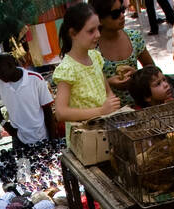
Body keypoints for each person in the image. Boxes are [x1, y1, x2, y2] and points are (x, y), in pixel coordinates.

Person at [52, 3, 122, 146]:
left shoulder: (95, 57)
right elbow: (61, 112)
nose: (98, 34)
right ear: (73, 34)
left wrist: (111, 104)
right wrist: (101, 111)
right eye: (91, 31)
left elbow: (107, 92)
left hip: (104, 133)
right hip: (84, 142)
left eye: (98, 29)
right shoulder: (67, 69)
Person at [92, 0, 156, 106]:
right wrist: (108, 83)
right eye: (115, 14)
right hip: (110, 114)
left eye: (122, 10)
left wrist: (136, 75)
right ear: (100, 19)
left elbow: (152, 70)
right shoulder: (92, 49)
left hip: (140, 107)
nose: (122, 15)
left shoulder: (134, 37)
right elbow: (87, 87)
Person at [0, 55, 56, 146]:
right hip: (18, 138)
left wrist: (53, 139)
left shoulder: (35, 79)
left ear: (12, 65)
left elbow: (47, 110)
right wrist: (4, 124)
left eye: (2, 72)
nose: (0, 76)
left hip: (41, 136)